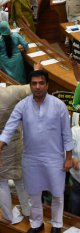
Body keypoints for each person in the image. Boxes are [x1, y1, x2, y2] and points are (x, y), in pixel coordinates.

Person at [0, 70, 74, 233]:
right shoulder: (23, 105)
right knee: (33, 194)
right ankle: (36, 223)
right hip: (30, 158)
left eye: (41, 83)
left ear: (47, 85)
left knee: (57, 194)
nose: (38, 87)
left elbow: (67, 134)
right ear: (30, 86)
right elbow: (9, 127)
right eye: (34, 83)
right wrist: (1, 145)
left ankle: (56, 224)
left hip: (55, 158)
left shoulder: (58, 105)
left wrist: (69, 157)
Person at [0, 84, 31, 224]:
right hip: (16, 142)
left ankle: (7, 216)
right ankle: (28, 211)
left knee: (1, 181)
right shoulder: (9, 93)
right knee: (20, 177)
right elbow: (31, 88)